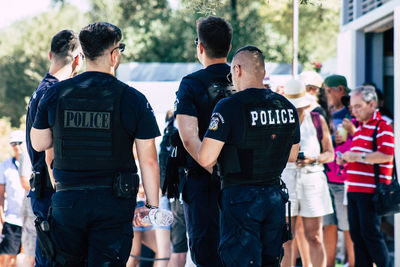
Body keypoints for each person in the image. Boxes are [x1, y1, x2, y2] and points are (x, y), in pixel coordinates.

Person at [30, 22, 160, 266]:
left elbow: (39, 143)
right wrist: (151, 206)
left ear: (85, 54)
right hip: (114, 204)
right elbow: (149, 160)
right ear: (114, 54)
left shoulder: (56, 93)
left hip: (68, 202)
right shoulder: (132, 98)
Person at [198, 46, 300, 266]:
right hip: (274, 197)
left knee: (239, 260)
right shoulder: (287, 107)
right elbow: (293, 155)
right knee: (271, 260)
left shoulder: (228, 106)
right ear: (263, 72)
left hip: (240, 198)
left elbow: (206, 158)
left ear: (237, 70)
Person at [174, 16, 232, 267]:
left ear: (200, 47)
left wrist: (215, 170)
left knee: (206, 254)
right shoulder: (242, 79)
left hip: (203, 181)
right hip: (243, 181)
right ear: (229, 47)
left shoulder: (191, 83)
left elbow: (189, 138)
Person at [25, 29, 83, 267]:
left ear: (50, 55)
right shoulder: (57, 93)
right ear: (78, 59)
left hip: (42, 191)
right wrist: (63, 194)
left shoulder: (40, 90)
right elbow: (51, 152)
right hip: (54, 192)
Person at [280, 79, 334, 267]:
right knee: (286, 239)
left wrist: (314, 158)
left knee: (315, 235)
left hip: (312, 179)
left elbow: (330, 153)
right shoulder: (280, 122)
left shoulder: (317, 120)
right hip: (288, 179)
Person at [338, 85, 393, 267]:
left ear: (372, 104)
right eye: (352, 107)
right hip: (354, 189)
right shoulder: (360, 128)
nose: (354, 111)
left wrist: (358, 157)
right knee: (357, 236)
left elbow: (387, 155)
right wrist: (345, 160)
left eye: (358, 106)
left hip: (369, 191)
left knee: (370, 235)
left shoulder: (382, 125)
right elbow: (361, 156)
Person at [323, 74, 355, 267]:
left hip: (346, 180)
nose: (326, 95)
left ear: (340, 89)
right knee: (329, 226)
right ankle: (329, 264)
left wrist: (350, 133)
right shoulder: (324, 114)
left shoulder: (352, 113)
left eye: (328, 91)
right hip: (326, 177)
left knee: (348, 228)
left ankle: (353, 263)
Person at [0, 131, 27, 267]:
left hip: (32, 220)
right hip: (12, 219)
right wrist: (1, 217)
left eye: (19, 142)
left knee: (31, 259)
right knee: (7, 260)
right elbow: (0, 194)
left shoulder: (35, 164)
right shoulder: (4, 166)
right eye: (13, 143)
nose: (16, 146)